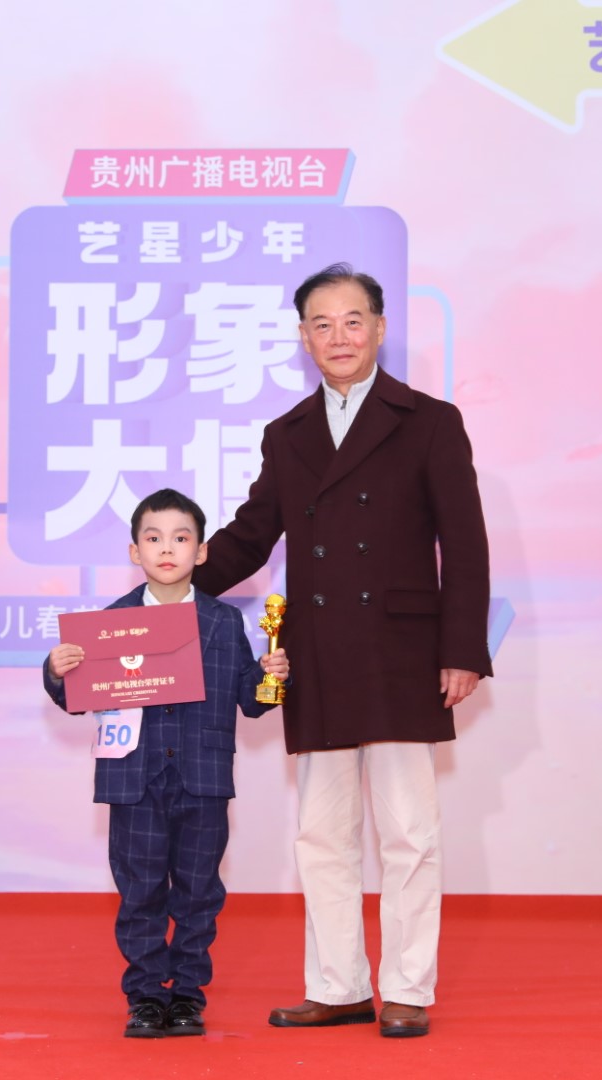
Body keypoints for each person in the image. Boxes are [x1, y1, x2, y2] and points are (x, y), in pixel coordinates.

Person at [191, 264, 492, 1038]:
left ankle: (408, 989)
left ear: (380, 329)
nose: (339, 337)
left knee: (409, 832)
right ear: (303, 338)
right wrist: (177, 576)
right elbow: (250, 538)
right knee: (321, 833)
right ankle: (337, 985)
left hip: (401, 651)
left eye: (353, 321)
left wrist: (462, 648)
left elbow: (464, 546)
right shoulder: (288, 433)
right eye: (321, 325)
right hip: (318, 653)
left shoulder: (430, 421)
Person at [43, 488, 289, 1039]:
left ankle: (188, 997)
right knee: (141, 893)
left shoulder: (224, 621)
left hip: (203, 779)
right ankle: (147, 997)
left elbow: (250, 701)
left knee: (200, 893)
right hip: (134, 779)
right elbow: (77, 698)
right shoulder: (107, 624)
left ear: (201, 551)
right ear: (136, 551)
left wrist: (273, 677)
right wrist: (57, 671)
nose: (167, 548)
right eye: (153, 538)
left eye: (181, 538)